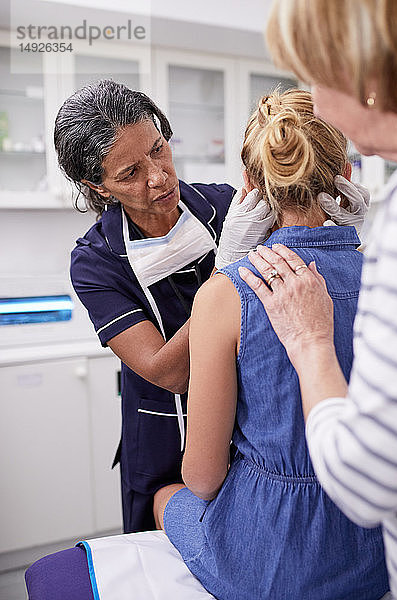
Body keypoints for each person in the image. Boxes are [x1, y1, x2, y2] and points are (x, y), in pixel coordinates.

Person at [153, 89, 389, 600]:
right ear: (347, 179)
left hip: (276, 563)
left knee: (167, 497)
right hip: (373, 552)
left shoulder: (226, 294)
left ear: (251, 187)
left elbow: (203, 477)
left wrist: (225, 269)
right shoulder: (386, 278)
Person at [54, 79, 273, 533]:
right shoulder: (97, 263)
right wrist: (226, 270)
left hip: (252, 428)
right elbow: (170, 372)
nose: (157, 175)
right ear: (98, 185)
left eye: (158, 149)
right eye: (129, 173)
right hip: (164, 443)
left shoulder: (225, 207)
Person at [239, 1, 397, 597]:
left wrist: (311, 342)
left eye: (314, 72)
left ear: (367, 78)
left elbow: (365, 480)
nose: (312, 93)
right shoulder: (373, 243)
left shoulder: (233, 291)